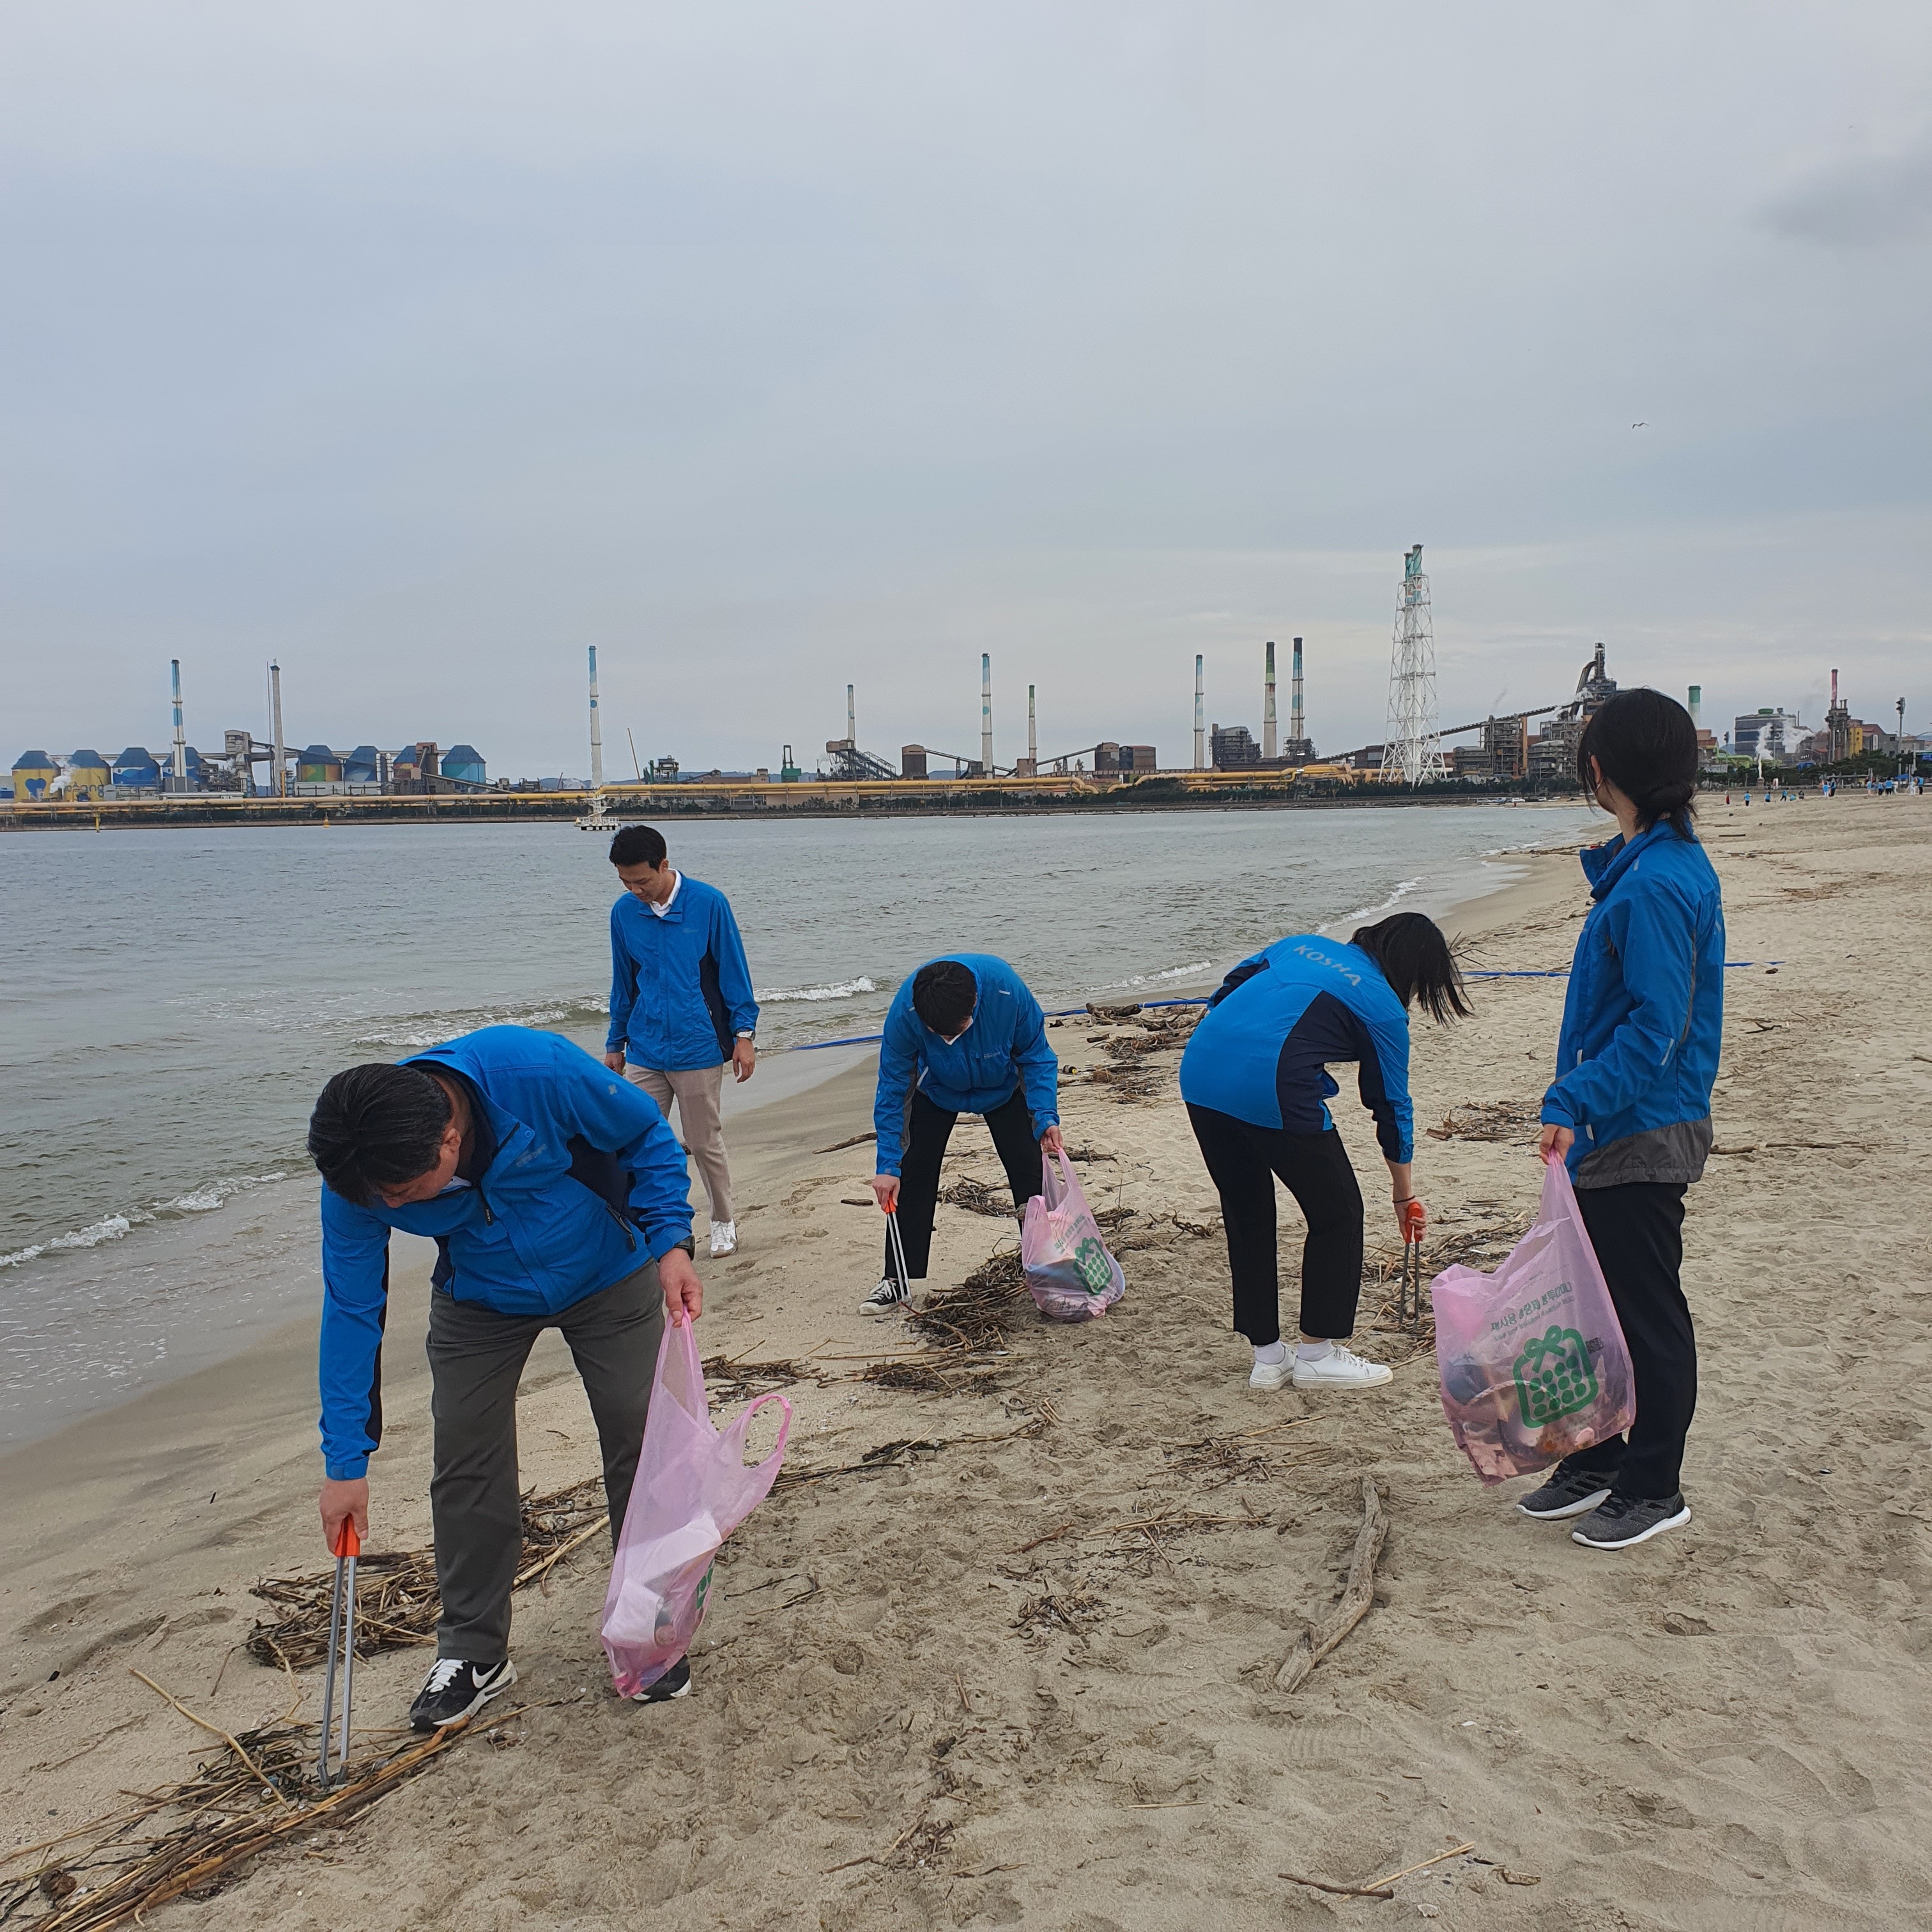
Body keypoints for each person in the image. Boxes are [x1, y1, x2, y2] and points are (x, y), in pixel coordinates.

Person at [307, 1027, 705, 1728]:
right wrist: (345, 1463)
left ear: (450, 1142)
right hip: (478, 1297)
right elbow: (351, 1311)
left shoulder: (534, 1071)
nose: (393, 1211)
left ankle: (651, 1623)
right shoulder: (360, 1177)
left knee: (641, 1439)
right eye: (380, 1200)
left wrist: (671, 1242)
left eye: (404, 1192)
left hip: (606, 1269)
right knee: (464, 1454)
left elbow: (648, 1137)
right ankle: (474, 1651)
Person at [1521, 687, 1722, 1552]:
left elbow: (1656, 1029)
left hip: (1640, 1127)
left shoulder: (1658, 884)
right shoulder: (1644, 866)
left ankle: (1654, 1484)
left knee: (1643, 1311)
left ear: (1598, 770)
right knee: (1592, 1306)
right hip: (1616, 1123)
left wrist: (1573, 1098)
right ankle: (1599, 1457)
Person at [1179, 914, 1469, 1390]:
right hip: (1270, 1086)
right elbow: (1392, 1107)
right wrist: (1403, 1195)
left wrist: (1235, 1041)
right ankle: (1317, 1353)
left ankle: (1268, 1359)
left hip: (1200, 1069)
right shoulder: (1382, 1006)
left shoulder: (1299, 945)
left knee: (1247, 1211)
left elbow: (1230, 987)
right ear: (1413, 972)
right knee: (1338, 1214)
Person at [864, 955, 1062, 1314]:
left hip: (1002, 1085)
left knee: (1029, 1170)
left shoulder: (1007, 991)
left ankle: (1046, 1267)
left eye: (954, 1033)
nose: (949, 1041)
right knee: (912, 1172)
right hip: (935, 1089)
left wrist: (1045, 1117)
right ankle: (897, 1279)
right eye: (940, 1036)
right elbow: (894, 1089)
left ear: (975, 1003)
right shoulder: (905, 1012)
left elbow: (1036, 1056)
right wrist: (887, 1165)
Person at [602, 825, 759, 1259]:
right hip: (646, 1047)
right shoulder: (623, 913)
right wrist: (616, 1041)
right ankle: (645, 1225)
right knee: (633, 1137)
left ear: (664, 866)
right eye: (626, 882)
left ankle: (723, 1220)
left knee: (703, 1139)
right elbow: (624, 982)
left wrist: (744, 1036)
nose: (635, 890)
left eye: (642, 880)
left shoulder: (709, 904)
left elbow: (734, 973)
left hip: (698, 1045)